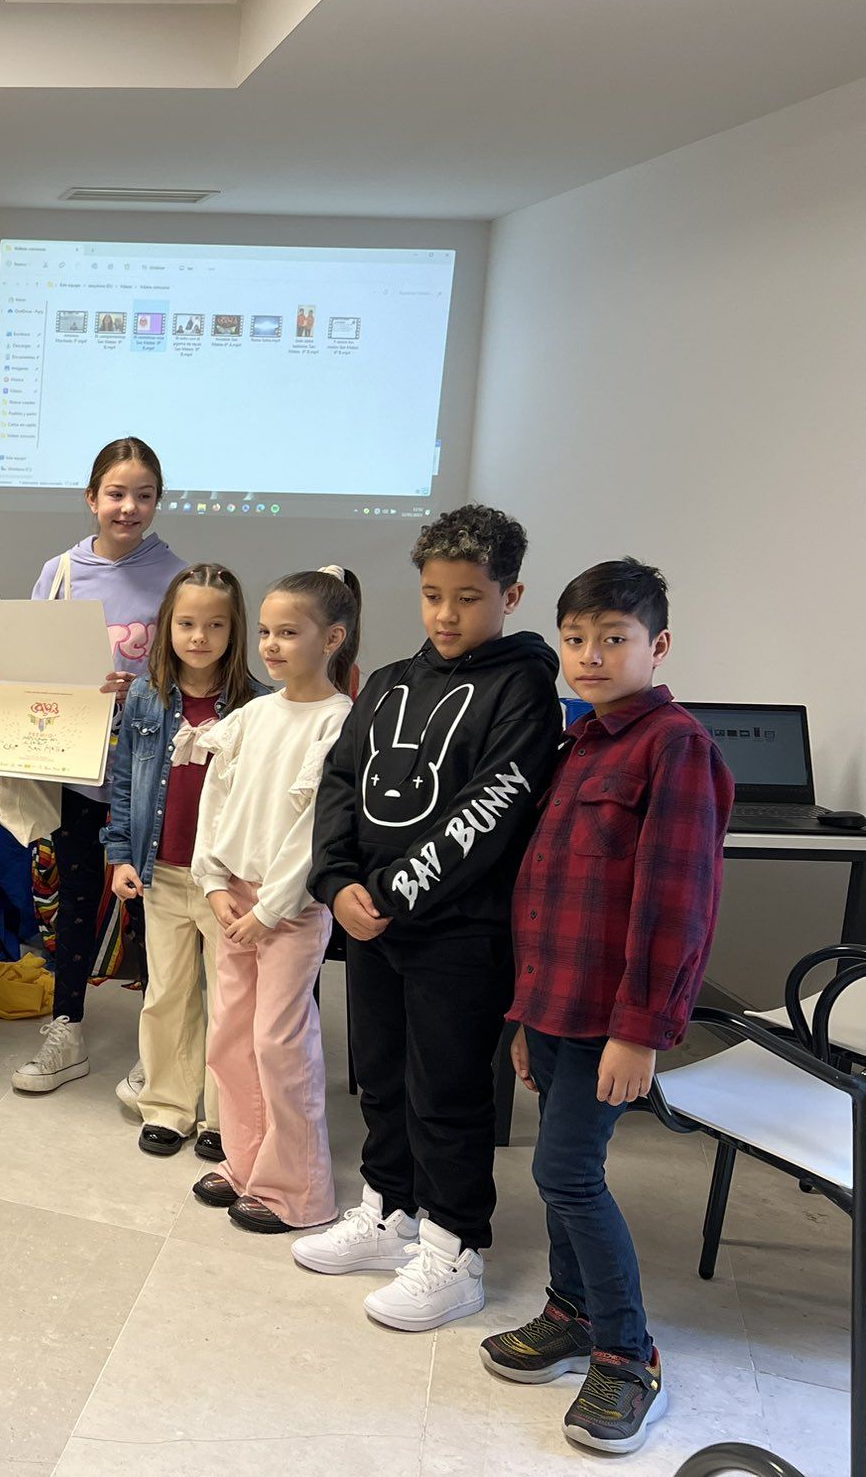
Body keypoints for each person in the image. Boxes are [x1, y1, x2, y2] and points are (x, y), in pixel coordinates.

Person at [481, 559, 731, 1456]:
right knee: (562, 1167)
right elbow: (542, 889)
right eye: (576, 638)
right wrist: (522, 1013)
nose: (590, 655)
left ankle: (628, 1357)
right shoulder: (578, 741)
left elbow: (677, 905)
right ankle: (571, 1310)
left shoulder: (676, 748)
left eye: (613, 638)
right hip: (552, 1003)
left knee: (566, 1174)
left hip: (609, 1018)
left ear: (657, 645)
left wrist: (642, 1030)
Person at [299, 504, 563, 1330]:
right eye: (432, 595)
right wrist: (337, 880)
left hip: (459, 931)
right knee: (380, 1072)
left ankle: (455, 1250)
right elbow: (339, 783)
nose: (446, 615)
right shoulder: (386, 683)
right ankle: (390, 1210)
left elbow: (493, 807)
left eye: (468, 598)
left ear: (510, 595)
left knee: (445, 1090)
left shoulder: (525, 689)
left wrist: (396, 895)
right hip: (372, 922)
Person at [188, 569, 359, 1234]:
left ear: (333, 638)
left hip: (290, 910)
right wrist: (212, 883)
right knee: (230, 1036)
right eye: (265, 632)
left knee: (278, 1043)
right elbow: (216, 805)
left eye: (290, 632)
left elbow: (319, 826)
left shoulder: (340, 722)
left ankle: (299, 1189)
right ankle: (246, 1161)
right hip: (234, 899)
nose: (272, 645)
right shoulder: (252, 716)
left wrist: (272, 906)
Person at [11, 438, 182, 1096]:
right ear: (91, 498)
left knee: (152, 909)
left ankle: (158, 1047)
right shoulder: (59, 574)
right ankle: (66, 1029)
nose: (128, 506)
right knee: (77, 900)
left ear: (157, 501)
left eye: (143, 494)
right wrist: (10, 677)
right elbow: (35, 668)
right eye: (115, 493)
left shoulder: (177, 577)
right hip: (78, 768)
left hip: (148, 777)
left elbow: (193, 677)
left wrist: (135, 690)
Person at [103, 564, 261, 1159]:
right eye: (188, 623)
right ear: (168, 625)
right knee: (166, 993)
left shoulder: (254, 705)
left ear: (234, 630)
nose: (199, 637)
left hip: (227, 881)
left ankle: (225, 1116)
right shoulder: (147, 696)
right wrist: (120, 855)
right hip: (161, 873)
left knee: (229, 999)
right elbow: (123, 783)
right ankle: (168, 1104)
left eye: (215, 625)